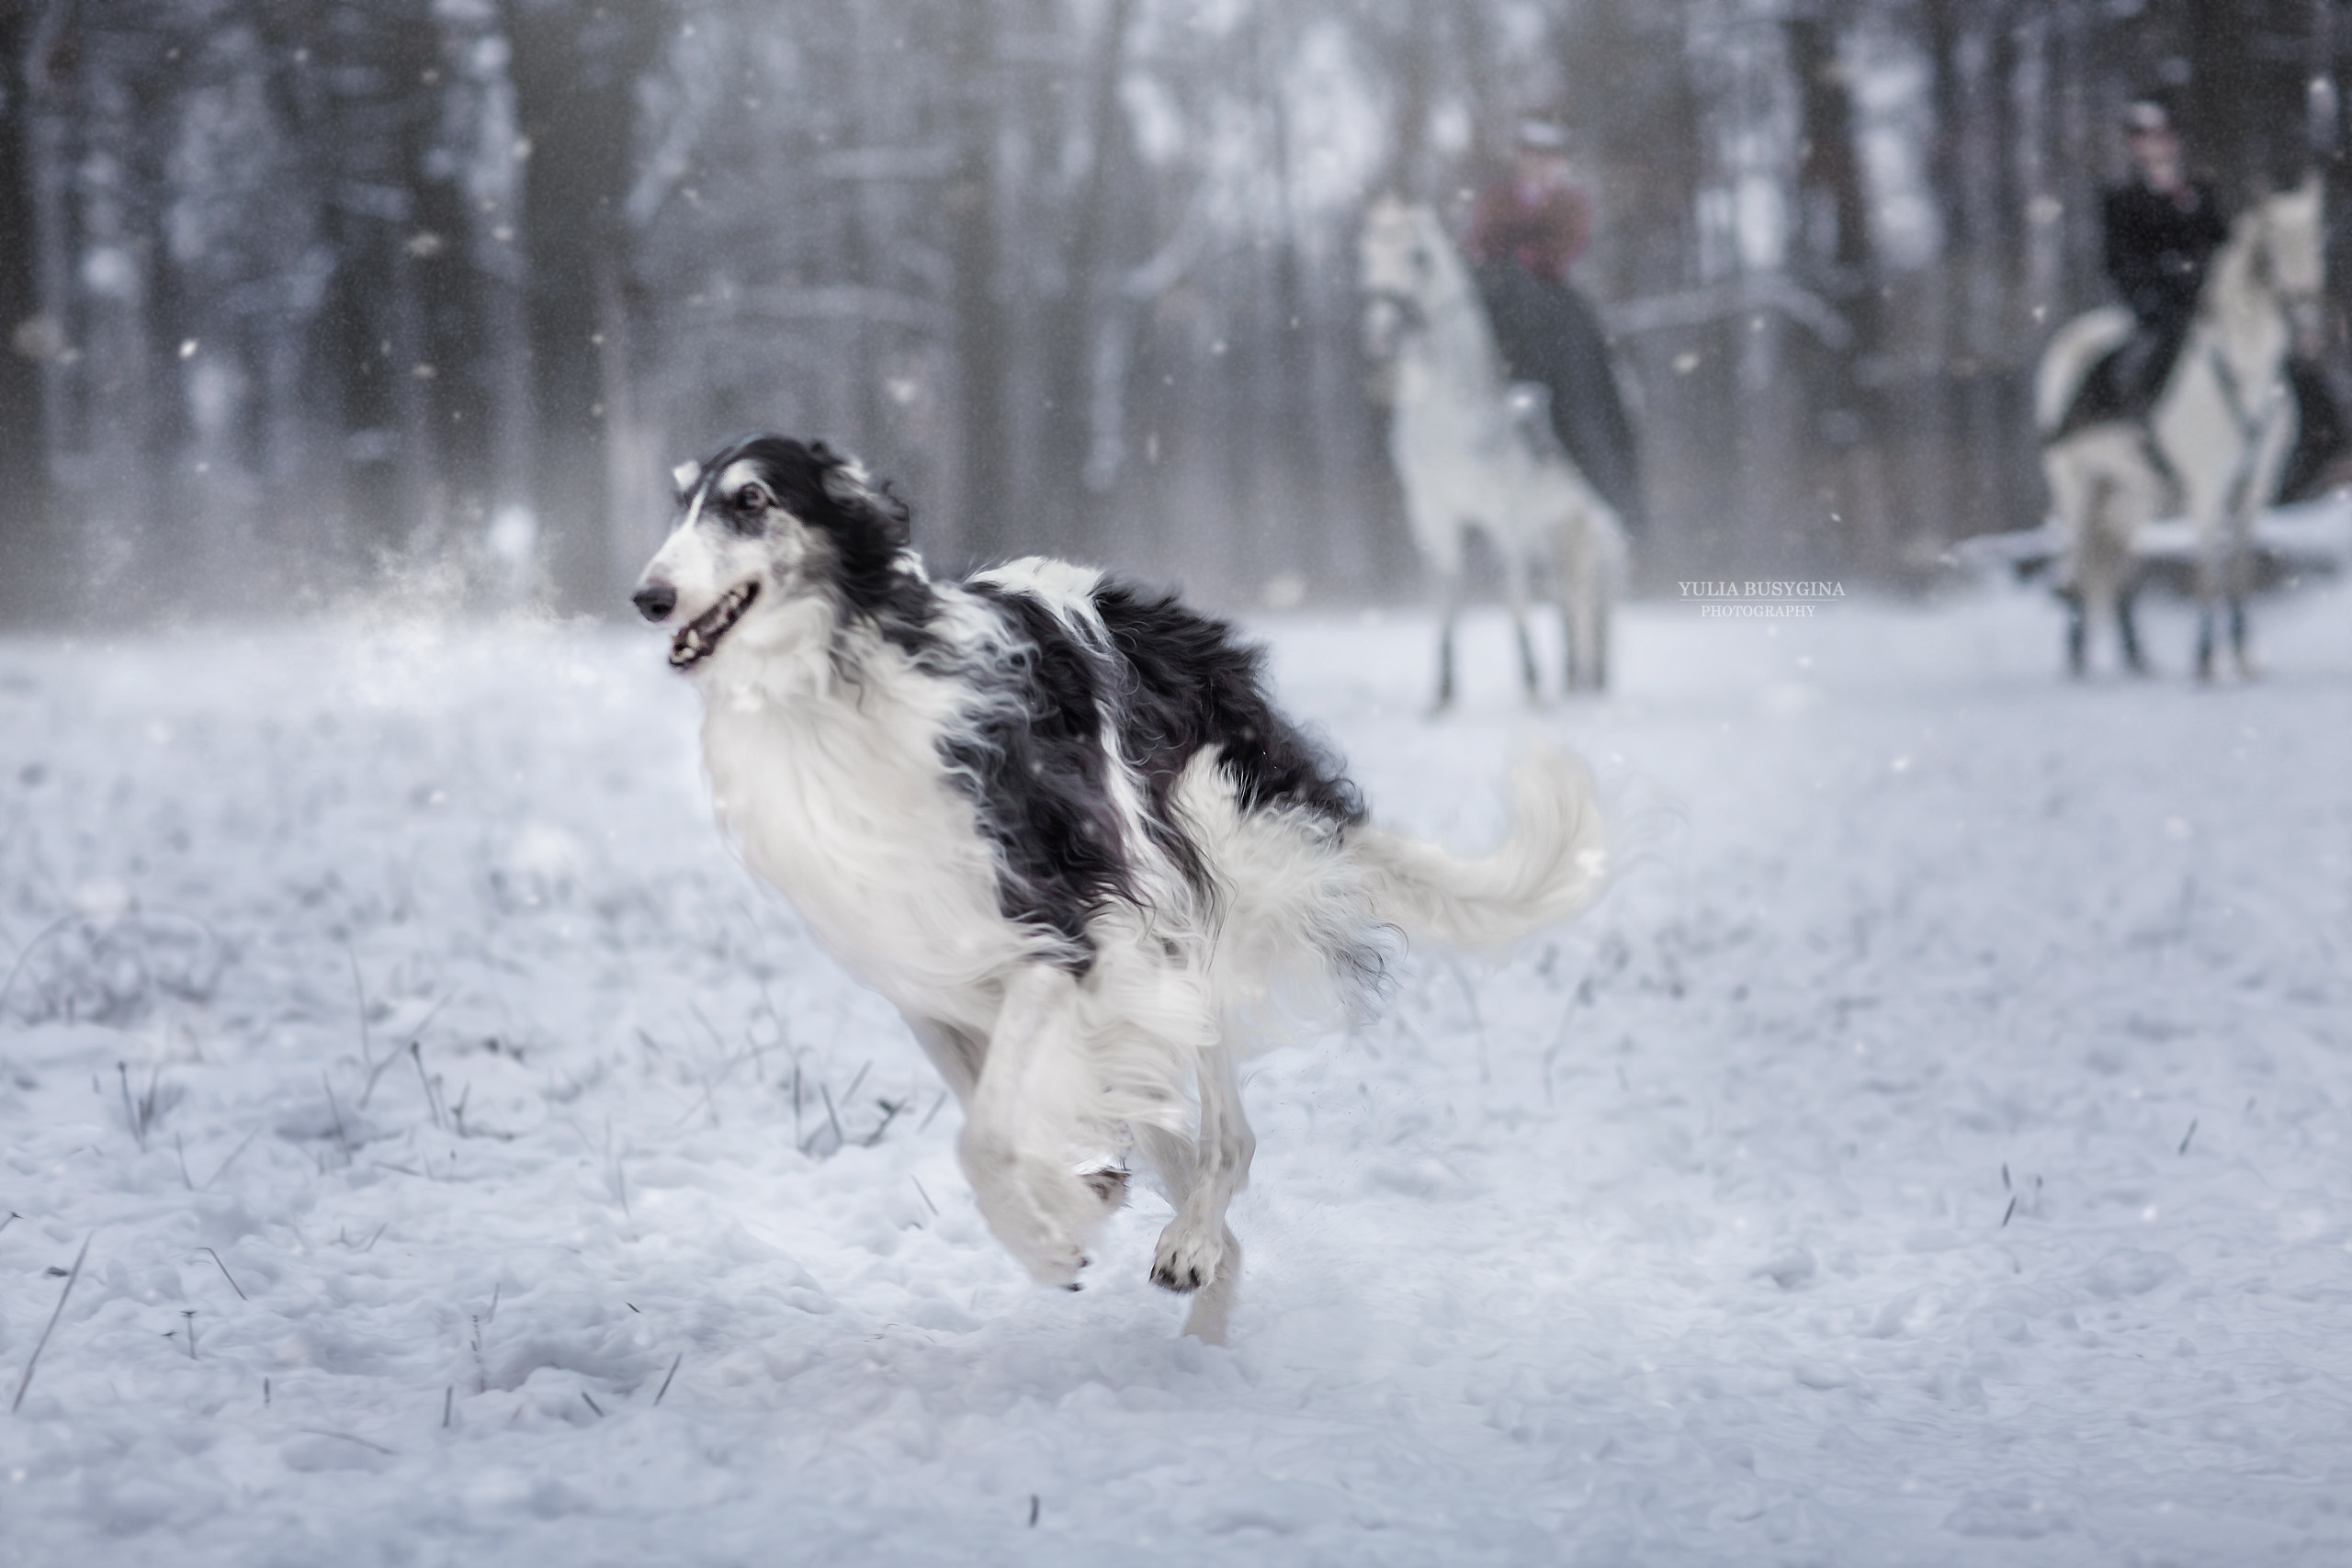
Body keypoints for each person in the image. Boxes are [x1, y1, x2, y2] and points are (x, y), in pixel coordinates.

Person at [1467, 118, 1645, 533]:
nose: (1538, 165)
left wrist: (1521, 255)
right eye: (1531, 156)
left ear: (1559, 163)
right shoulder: (1496, 198)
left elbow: (1562, 248)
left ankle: (1541, 390)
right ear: (1519, 159)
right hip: (1497, 295)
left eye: (1547, 158)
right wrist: (1511, 256)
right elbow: (1480, 242)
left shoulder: (1570, 201)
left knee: (1569, 333)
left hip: (1551, 297)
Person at [2098, 97, 2229, 414]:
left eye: (2162, 135)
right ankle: (2136, 412)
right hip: (2157, 304)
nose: (2156, 145)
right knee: (2155, 346)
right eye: (2145, 137)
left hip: (2207, 299)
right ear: (2133, 145)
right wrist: (2155, 290)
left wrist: (2208, 280)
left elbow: (2222, 243)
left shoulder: (2200, 191)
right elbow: (2120, 259)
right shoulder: (2123, 198)